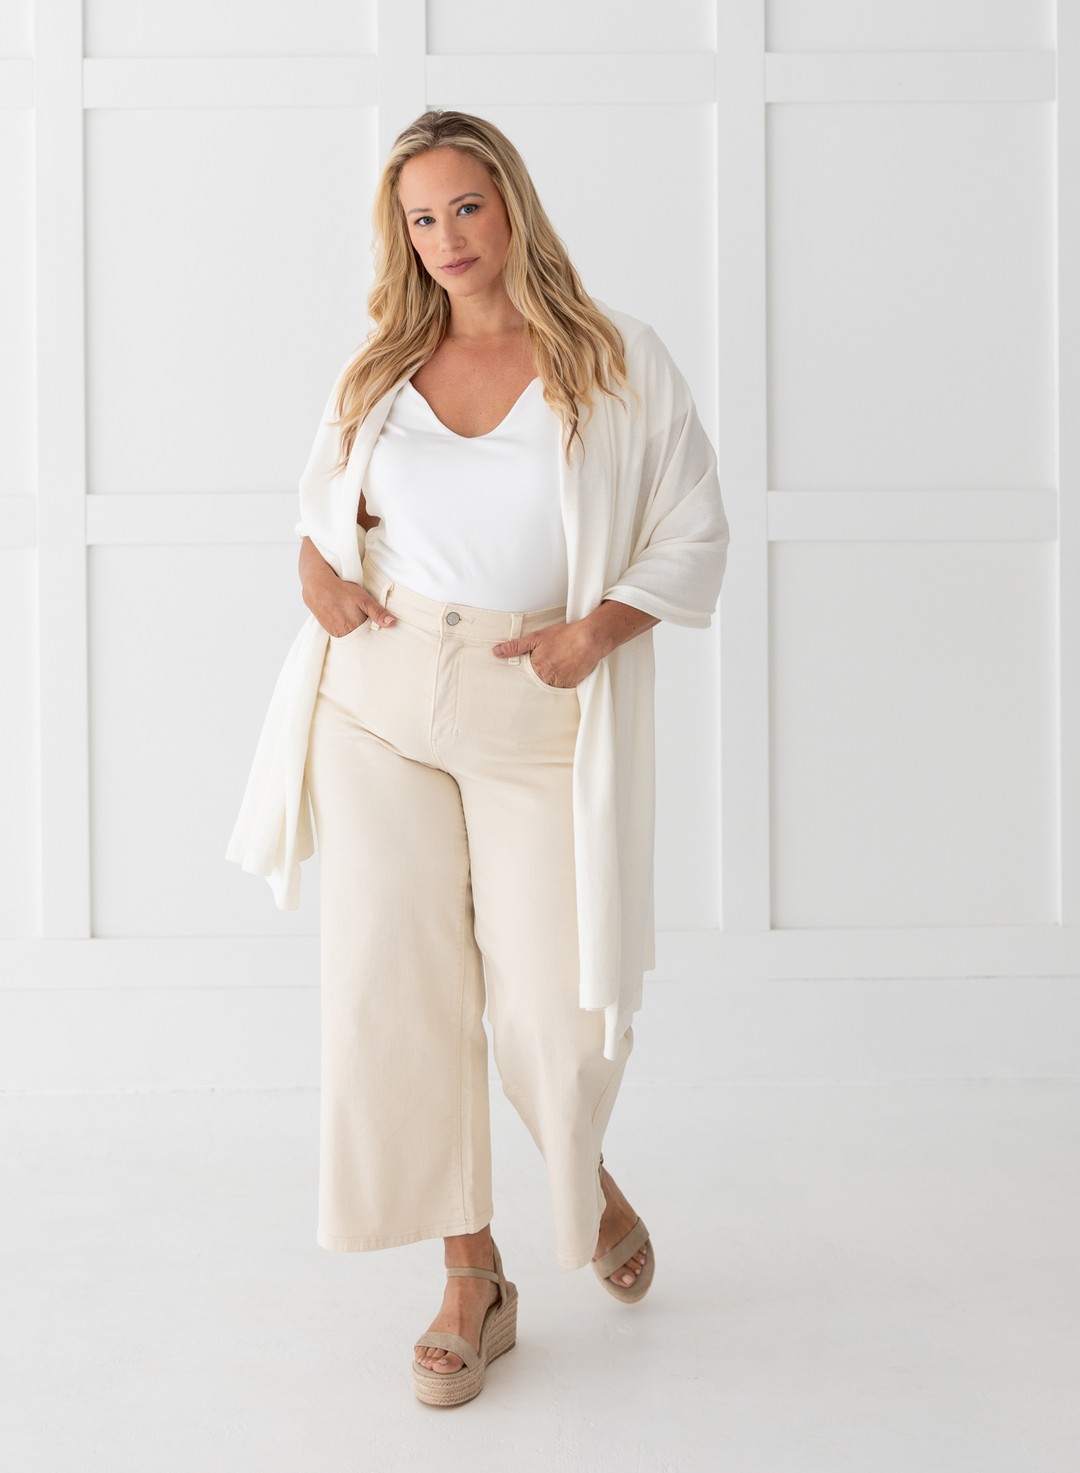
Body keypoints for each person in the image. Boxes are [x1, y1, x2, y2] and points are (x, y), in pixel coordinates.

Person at [226, 108, 730, 1408]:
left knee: (552, 1005)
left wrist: (596, 633)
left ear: (511, 205)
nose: (446, 237)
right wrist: (319, 581)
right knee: (396, 990)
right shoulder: (381, 368)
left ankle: (579, 1166)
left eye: (465, 206)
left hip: (535, 700)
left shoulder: (613, 358)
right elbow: (318, 513)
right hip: (378, 697)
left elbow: (693, 528)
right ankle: (472, 1277)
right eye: (420, 218)